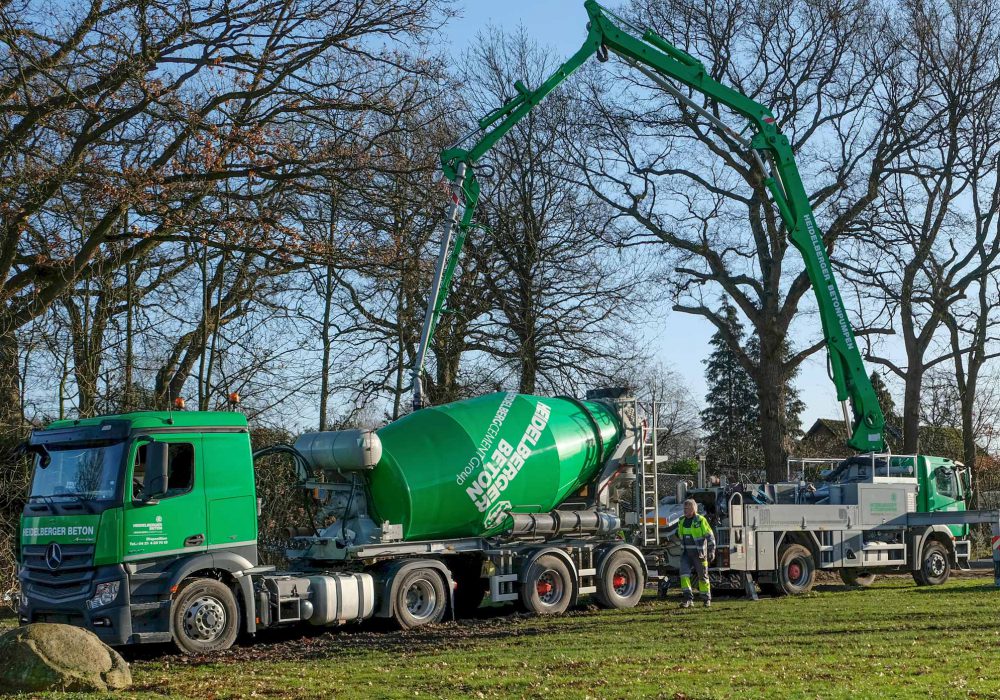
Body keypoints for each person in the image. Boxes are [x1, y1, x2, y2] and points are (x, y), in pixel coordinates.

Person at [676, 498, 715, 608]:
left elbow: (710, 537)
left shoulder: (701, 520)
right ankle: (688, 599)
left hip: (700, 555)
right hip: (686, 555)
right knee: (684, 575)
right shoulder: (681, 521)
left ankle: (706, 599)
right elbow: (679, 534)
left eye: (687, 508)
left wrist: (712, 551)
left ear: (693, 509)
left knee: (703, 577)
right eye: (684, 508)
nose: (685, 510)